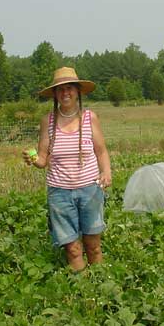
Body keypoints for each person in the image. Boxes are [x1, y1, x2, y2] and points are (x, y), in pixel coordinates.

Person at [22, 67, 112, 271]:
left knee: (94, 246)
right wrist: (33, 160)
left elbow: (102, 151)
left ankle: (101, 290)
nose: (65, 93)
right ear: (54, 93)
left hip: (90, 190)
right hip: (59, 194)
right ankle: (83, 294)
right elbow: (43, 159)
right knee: (72, 249)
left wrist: (106, 172)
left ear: (78, 91)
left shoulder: (90, 118)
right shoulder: (48, 121)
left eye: (69, 88)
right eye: (60, 89)